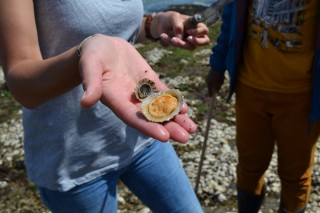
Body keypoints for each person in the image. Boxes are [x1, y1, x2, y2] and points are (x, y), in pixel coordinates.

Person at [0, 0, 210, 212]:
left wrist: (152, 25)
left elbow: (107, 24)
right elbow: (21, 83)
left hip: (140, 133)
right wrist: (84, 56)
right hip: (74, 160)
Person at [207, 0, 320, 213]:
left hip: (302, 99)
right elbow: (232, 18)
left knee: (295, 176)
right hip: (249, 89)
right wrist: (218, 64)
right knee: (249, 167)